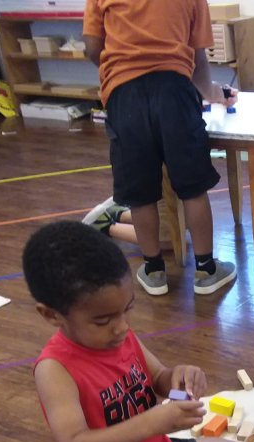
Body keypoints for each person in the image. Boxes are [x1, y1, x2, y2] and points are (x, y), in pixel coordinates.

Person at [23, 221, 245, 442]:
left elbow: (160, 377)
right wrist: (154, 422)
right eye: (103, 320)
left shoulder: (119, 335)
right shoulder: (54, 369)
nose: (122, 327)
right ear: (51, 315)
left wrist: (181, 376)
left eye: (127, 310)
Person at [82, 0, 237, 297]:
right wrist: (214, 92)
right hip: (174, 91)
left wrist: (123, 65)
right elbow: (198, 59)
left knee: (139, 194)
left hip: (124, 94)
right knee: (193, 188)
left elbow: (92, 47)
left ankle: (154, 270)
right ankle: (206, 269)